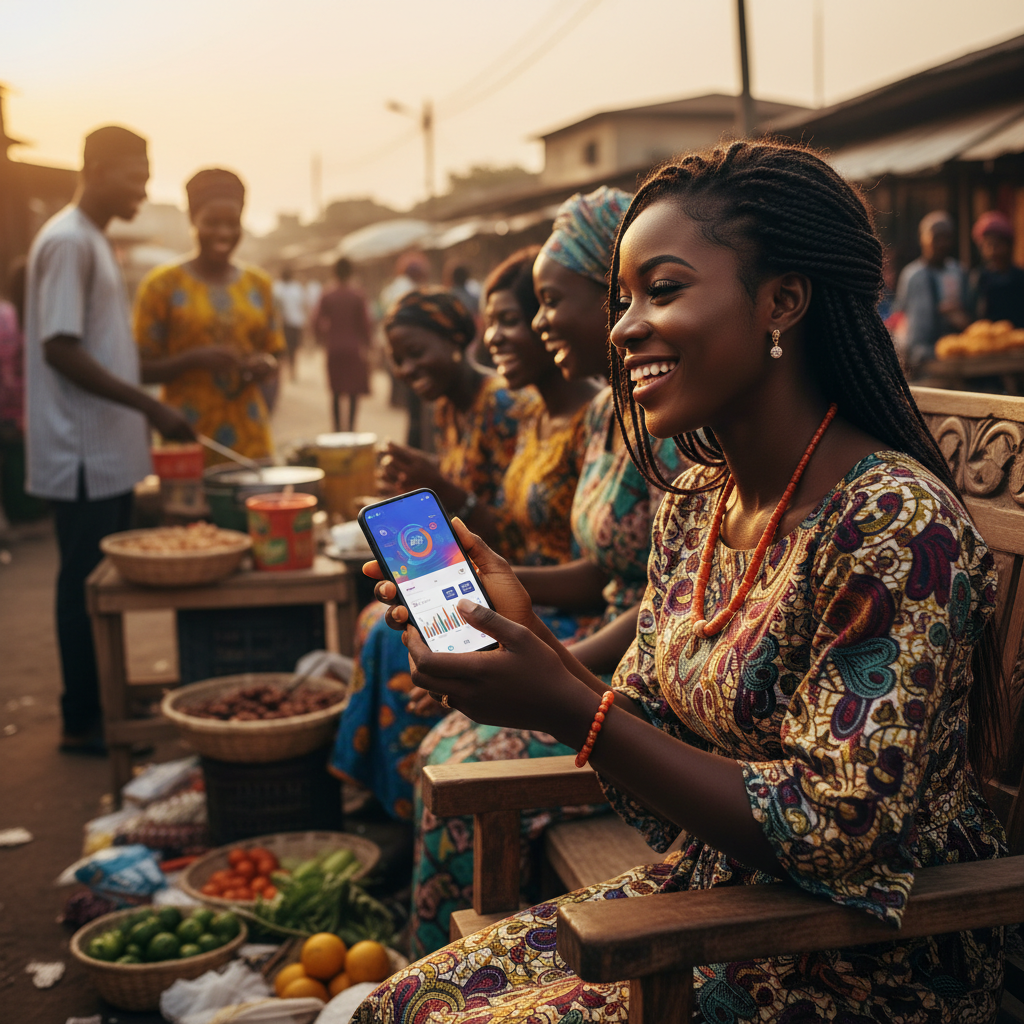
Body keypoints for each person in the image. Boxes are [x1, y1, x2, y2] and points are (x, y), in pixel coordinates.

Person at [356, 141, 1006, 1022]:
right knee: (395, 1003)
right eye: (622, 299)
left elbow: (840, 832)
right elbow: (649, 739)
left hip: (857, 961)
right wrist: (536, 651)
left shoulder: (892, 521)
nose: (624, 328)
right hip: (717, 897)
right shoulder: (698, 502)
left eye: (661, 291)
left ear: (782, 301)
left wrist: (565, 706)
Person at [406, 188, 685, 957]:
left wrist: (557, 677)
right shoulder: (615, 413)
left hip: (636, 681)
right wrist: (517, 615)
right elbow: (612, 572)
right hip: (621, 670)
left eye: (659, 293)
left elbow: (662, 598)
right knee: (447, 709)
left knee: (460, 751)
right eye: (630, 298)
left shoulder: (692, 435)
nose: (532, 325)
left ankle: (453, 935)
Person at [329, 288, 539, 819]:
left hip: (511, 571)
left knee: (392, 635)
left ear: (454, 340)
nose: (406, 368)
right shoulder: (447, 406)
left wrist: (437, 486)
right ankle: (382, 789)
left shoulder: (499, 404)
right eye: (397, 359)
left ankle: (407, 807)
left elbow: (507, 529)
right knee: (376, 622)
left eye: (416, 352)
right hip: (459, 566)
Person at [24, 125, 194, 754]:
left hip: (103, 454)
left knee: (99, 586)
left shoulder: (93, 240)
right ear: (95, 167)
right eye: (135, 174)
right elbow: (61, 348)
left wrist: (177, 369)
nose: (143, 190)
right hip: (81, 454)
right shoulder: (68, 241)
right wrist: (151, 406)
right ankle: (84, 718)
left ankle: (104, 699)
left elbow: (105, 354)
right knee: (85, 587)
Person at [134, 168, 284, 465]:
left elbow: (275, 353)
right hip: (187, 437)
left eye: (232, 223)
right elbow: (138, 367)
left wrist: (264, 365)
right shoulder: (161, 284)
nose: (223, 233)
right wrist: (192, 359)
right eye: (212, 222)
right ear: (193, 221)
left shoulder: (259, 284)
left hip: (251, 439)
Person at [894, 210, 969, 375]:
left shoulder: (958, 272)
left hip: (952, 358)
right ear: (923, 237)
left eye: (947, 237)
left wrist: (961, 318)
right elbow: (901, 314)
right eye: (936, 237)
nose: (942, 243)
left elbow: (969, 314)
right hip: (918, 357)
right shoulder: (911, 275)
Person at [312, 258, 372, 432]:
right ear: (351, 272)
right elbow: (365, 325)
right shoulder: (357, 295)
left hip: (334, 348)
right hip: (353, 349)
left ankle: (337, 430)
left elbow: (316, 322)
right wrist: (368, 346)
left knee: (336, 391)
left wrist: (323, 338)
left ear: (334, 272)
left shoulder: (327, 294)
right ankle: (351, 429)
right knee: (353, 392)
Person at [970, 210, 1024, 328]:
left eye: (998, 244)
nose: (994, 250)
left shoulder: (1020, 277)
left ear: (1009, 245)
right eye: (988, 245)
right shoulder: (980, 277)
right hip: (988, 339)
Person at [273, 265, 306, 377]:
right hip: (285, 323)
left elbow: (302, 305)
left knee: (292, 348)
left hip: (293, 322)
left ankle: (291, 370)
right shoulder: (279, 287)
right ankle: (287, 371)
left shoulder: (291, 288)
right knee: (284, 349)